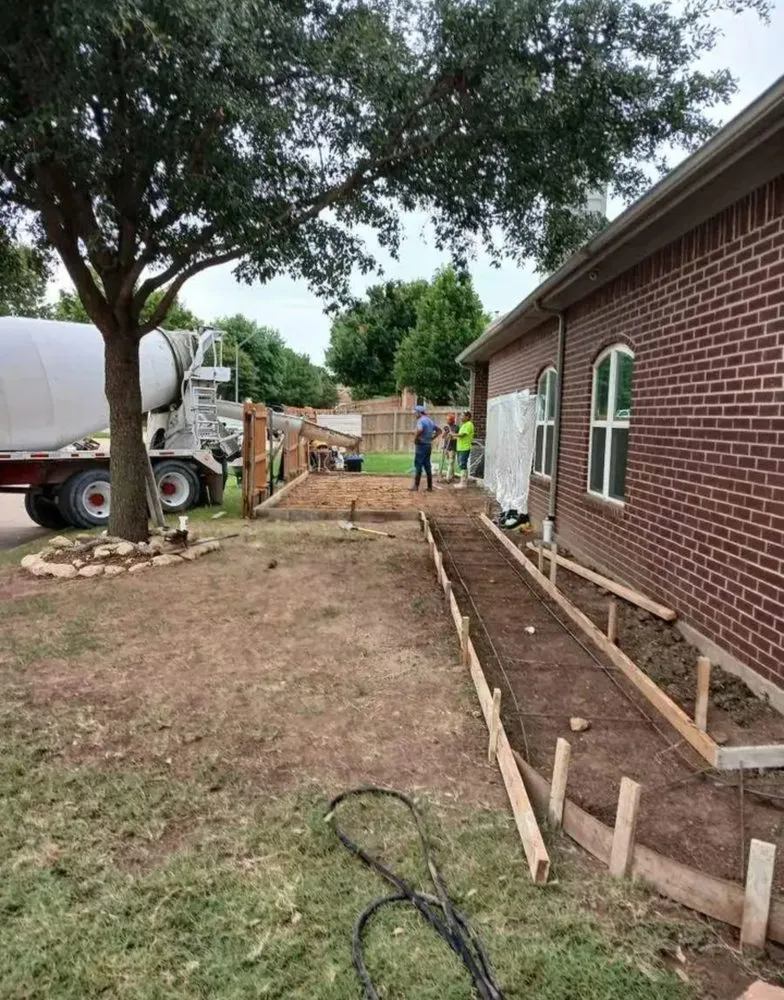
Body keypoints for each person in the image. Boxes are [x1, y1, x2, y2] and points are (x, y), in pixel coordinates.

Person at [410, 404, 441, 491]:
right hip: (428, 445)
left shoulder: (420, 421)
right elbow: (439, 430)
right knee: (427, 465)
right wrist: (431, 438)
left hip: (421, 445)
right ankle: (430, 487)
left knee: (418, 465)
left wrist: (416, 439)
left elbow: (420, 430)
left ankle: (416, 486)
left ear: (419, 413)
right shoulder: (430, 421)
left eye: (415, 413)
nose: (414, 415)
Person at [454, 410, 475, 488]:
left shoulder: (469, 424)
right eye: (461, 416)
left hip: (465, 447)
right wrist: (453, 437)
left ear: (467, 417)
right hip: (460, 447)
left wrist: (453, 434)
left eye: (462, 416)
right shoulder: (463, 425)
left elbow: (462, 435)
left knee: (462, 464)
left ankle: (463, 483)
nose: (461, 417)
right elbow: (460, 437)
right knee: (461, 464)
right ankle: (463, 481)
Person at [440, 412, 459, 482]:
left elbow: (457, 437)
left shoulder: (456, 427)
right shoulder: (446, 427)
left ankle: (448, 478)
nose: (447, 421)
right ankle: (452, 476)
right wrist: (445, 433)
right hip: (446, 447)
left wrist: (452, 436)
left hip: (452, 447)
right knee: (449, 462)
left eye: (449, 420)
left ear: (452, 420)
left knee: (451, 462)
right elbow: (443, 437)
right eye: (447, 420)